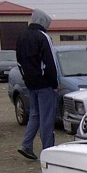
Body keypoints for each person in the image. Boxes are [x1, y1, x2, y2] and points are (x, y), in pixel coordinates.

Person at [15, 9, 58, 160]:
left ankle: (26, 144)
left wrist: (26, 78)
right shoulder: (43, 37)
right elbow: (50, 63)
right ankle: (48, 150)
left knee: (34, 114)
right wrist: (54, 83)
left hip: (30, 83)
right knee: (47, 117)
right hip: (45, 83)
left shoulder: (21, 37)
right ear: (43, 22)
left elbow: (19, 62)